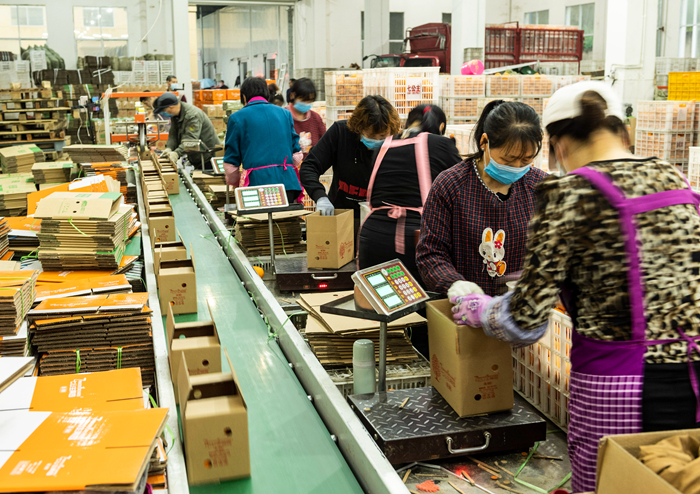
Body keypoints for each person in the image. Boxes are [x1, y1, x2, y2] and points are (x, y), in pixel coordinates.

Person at [449, 81, 700, 493]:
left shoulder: (567, 193)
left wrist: (483, 310)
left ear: (558, 144)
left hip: (616, 387)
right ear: (623, 131)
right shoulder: (675, 180)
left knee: (611, 484)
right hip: (691, 381)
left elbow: (525, 321)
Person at [415, 100, 547, 300]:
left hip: (523, 308)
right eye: (508, 160)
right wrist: (454, 283)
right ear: (485, 142)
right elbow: (431, 252)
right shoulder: (451, 185)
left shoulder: (540, 187)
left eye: (526, 159)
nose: (517, 167)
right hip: (465, 308)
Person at [359, 104, 460, 283]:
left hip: (372, 235)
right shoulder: (442, 144)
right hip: (416, 239)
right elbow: (464, 187)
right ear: (441, 127)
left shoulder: (384, 145)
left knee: (377, 296)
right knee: (421, 298)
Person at [300, 95, 401, 232]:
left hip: (381, 220)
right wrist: (320, 197)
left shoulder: (397, 142)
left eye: (382, 137)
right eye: (371, 136)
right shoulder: (341, 133)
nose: (377, 141)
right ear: (358, 128)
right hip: (342, 216)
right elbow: (309, 166)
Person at [223, 77, 301, 203]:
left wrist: (236, 183)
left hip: (256, 186)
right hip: (287, 185)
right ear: (267, 94)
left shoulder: (237, 118)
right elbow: (296, 155)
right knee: (285, 215)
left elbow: (231, 165)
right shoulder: (285, 114)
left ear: (244, 97)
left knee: (260, 216)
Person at [154, 92, 220, 168]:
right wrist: (169, 148)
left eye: (164, 111)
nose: (163, 113)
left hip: (208, 158)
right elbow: (173, 135)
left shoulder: (192, 116)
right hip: (196, 156)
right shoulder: (175, 115)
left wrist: (176, 153)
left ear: (171, 107)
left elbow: (191, 141)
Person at [286, 78, 326, 159]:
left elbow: (325, 142)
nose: (307, 104)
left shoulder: (315, 118)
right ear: (293, 95)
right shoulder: (284, 117)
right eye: (304, 100)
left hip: (312, 165)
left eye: (310, 101)